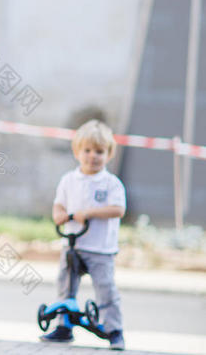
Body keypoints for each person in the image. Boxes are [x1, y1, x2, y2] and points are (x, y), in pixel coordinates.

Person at [40, 119, 126, 350]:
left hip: (100, 249)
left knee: (105, 289)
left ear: (108, 154)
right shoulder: (69, 180)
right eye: (87, 151)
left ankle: (114, 330)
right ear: (77, 152)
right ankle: (64, 326)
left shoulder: (111, 183)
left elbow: (118, 209)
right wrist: (59, 215)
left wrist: (89, 213)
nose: (92, 156)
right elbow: (59, 206)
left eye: (99, 151)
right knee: (66, 287)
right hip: (73, 246)